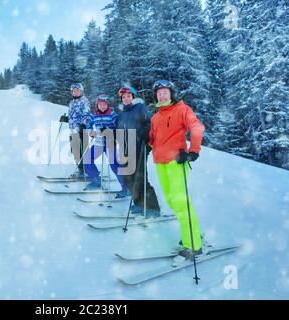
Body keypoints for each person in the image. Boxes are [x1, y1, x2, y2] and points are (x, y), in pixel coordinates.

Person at [148, 79, 205, 260]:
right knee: (172, 201)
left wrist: (193, 150)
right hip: (160, 163)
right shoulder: (155, 117)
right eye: (159, 93)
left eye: (165, 92)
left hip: (176, 162)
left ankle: (193, 245)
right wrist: (145, 141)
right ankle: (193, 232)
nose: (162, 95)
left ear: (171, 94)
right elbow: (152, 139)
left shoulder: (182, 109)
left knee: (180, 202)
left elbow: (197, 127)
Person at [116, 86, 161, 217]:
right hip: (125, 149)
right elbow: (118, 131)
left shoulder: (140, 108)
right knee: (128, 178)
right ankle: (139, 204)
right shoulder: (122, 114)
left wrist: (145, 134)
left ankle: (153, 208)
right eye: (123, 97)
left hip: (139, 147)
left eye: (128, 96)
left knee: (140, 178)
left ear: (133, 97)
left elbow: (151, 123)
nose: (126, 99)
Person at [82, 94, 129, 198]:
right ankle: (96, 181)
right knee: (87, 159)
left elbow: (118, 127)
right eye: (100, 104)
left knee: (114, 165)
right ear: (97, 105)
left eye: (104, 104)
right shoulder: (94, 115)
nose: (102, 106)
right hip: (99, 143)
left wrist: (108, 131)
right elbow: (88, 123)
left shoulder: (112, 114)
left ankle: (126, 187)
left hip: (109, 143)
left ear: (107, 105)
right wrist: (91, 132)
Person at [61, 83, 91, 178]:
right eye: (74, 91)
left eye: (77, 90)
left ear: (81, 91)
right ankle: (81, 170)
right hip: (73, 131)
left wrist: (83, 124)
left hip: (82, 130)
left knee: (83, 152)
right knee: (75, 151)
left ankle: (89, 171)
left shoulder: (84, 101)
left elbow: (86, 115)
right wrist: (65, 119)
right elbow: (73, 116)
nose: (75, 92)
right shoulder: (72, 102)